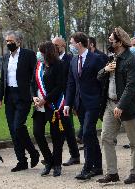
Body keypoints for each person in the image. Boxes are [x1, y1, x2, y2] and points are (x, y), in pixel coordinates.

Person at [96, 27, 135, 184]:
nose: (109, 42)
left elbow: (132, 86)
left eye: (111, 40)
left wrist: (121, 105)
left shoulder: (131, 59)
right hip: (110, 104)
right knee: (106, 138)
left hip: (127, 107)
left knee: (134, 141)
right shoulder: (112, 58)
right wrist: (105, 70)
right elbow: (99, 76)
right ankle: (112, 173)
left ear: (120, 42)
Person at [0, 30, 39, 172]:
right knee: (13, 130)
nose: (9, 43)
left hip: (24, 95)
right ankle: (22, 161)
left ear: (18, 41)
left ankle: (33, 152)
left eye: (11, 41)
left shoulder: (28, 55)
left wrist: (34, 94)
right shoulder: (5, 57)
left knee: (18, 126)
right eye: (7, 41)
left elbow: (34, 76)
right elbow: (3, 78)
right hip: (9, 96)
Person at [64, 32, 105, 180]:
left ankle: (87, 167)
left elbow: (102, 81)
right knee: (91, 135)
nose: (71, 45)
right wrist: (68, 103)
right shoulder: (74, 61)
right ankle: (98, 166)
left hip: (93, 103)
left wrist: (102, 101)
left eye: (71, 42)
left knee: (86, 133)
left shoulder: (96, 59)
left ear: (79, 44)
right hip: (79, 104)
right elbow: (71, 83)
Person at [31, 42, 66, 176]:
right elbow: (32, 83)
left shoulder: (58, 65)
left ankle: (57, 164)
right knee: (37, 133)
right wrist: (34, 97)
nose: (38, 54)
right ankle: (49, 160)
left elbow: (59, 86)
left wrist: (45, 100)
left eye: (40, 51)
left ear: (47, 52)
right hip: (38, 106)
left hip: (53, 105)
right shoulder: (38, 65)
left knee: (56, 136)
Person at [52, 37, 80, 166]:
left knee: (67, 128)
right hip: (56, 98)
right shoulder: (52, 60)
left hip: (66, 98)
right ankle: (61, 156)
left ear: (63, 46)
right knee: (61, 128)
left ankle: (73, 155)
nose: (54, 48)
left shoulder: (70, 59)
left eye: (56, 45)